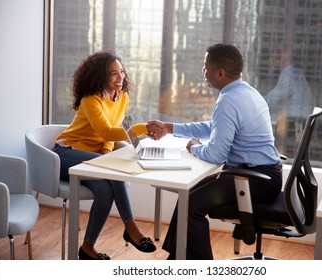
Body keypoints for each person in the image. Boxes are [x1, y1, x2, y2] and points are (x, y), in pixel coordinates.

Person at [147, 43, 282, 259]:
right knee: (188, 195)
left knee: (190, 205)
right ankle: (177, 261)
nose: (203, 71)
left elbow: (216, 154)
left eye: (205, 66)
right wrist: (170, 128)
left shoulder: (228, 100)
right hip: (261, 175)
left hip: (254, 180)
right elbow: (213, 128)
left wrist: (194, 149)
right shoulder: (246, 92)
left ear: (219, 73)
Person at [52, 50, 156, 260]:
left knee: (105, 192)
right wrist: (144, 128)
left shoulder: (122, 97)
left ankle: (87, 248)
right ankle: (131, 226)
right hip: (67, 154)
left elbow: (111, 130)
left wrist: (107, 151)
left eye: (121, 72)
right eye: (113, 74)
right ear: (101, 76)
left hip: (94, 159)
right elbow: (106, 131)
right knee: (114, 170)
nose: (120, 78)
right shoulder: (91, 99)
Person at [264, 49, 314, 153]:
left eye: (273, 57)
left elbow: (273, 99)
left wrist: (254, 102)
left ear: (285, 56)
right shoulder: (293, 71)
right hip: (300, 120)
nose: (270, 61)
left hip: (296, 121)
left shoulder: (289, 74)